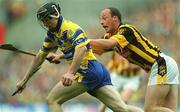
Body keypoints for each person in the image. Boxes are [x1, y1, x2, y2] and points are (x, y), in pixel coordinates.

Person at [14, 2, 144, 112]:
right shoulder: (52, 34)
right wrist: (24, 80)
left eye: (47, 19)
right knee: (121, 108)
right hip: (95, 69)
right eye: (43, 20)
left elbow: (81, 48)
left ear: (56, 15)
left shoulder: (70, 28)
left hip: (87, 70)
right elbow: (40, 57)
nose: (45, 23)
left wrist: (71, 72)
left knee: (52, 100)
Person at [90, 7, 179, 112]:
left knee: (150, 109)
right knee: (168, 109)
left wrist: (85, 40)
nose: (101, 22)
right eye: (101, 19)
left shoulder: (126, 30)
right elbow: (98, 50)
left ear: (115, 18)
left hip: (161, 64)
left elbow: (110, 43)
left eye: (104, 18)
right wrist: (73, 50)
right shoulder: (109, 37)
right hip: (165, 64)